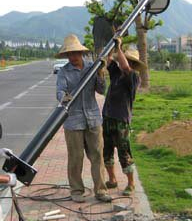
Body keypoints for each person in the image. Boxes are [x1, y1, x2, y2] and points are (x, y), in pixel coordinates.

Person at [55, 34, 112, 203]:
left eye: (75, 53)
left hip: (93, 119)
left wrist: (101, 74)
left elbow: (102, 90)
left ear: (81, 53)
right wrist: (64, 97)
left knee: (97, 156)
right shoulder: (64, 72)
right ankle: (77, 190)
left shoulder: (92, 68)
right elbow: (59, 91)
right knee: (75, 157)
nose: (73, 57)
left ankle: (101, 190)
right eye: (70, 54)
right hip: (73, 121)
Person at [102, 37, 141, 196]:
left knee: (124, 153)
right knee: (107, 151)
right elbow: (109, 60)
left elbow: (124, 66)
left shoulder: (133, 77)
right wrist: (112, 46)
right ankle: (112, 180)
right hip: (108, 117)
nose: (126, 63)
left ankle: (131, 183)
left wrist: (119, 46)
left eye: (129, 61)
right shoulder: (116, 74)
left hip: (121, 121)